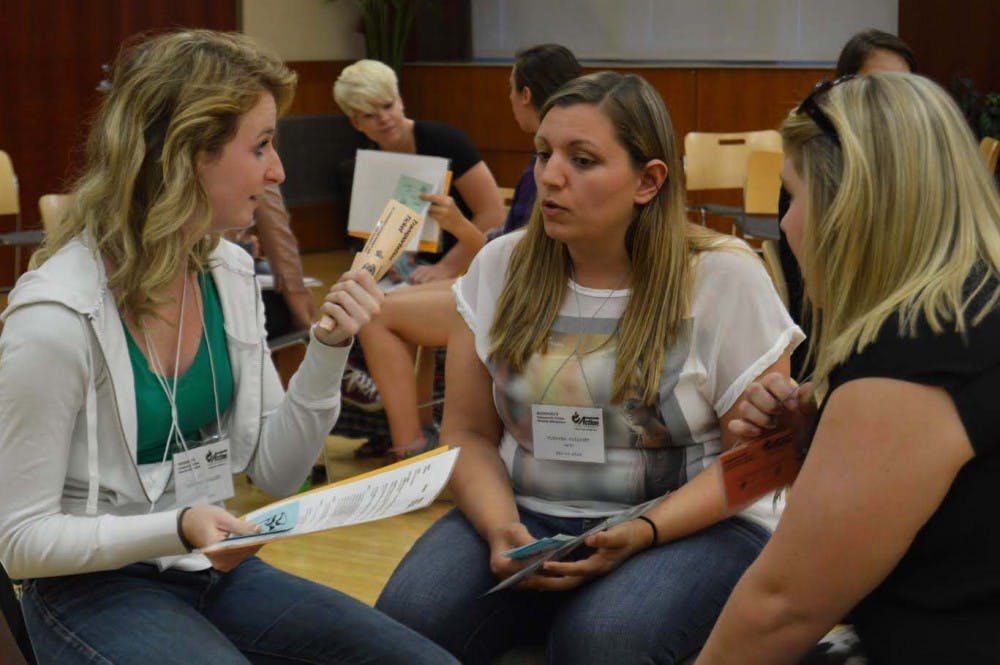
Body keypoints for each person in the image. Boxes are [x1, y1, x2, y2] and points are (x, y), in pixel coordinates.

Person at [0, 30, 456, 665]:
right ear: (188, 154)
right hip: (91, 590)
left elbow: (276, 472)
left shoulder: (227, 272)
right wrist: (177, 525)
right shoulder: (53, 318)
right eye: (262, 146)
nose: (279, 171)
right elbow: (20, 541)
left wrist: (327, 349)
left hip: (208, 570)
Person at [375, 71, 803, 664]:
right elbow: (468, 434)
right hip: (527, 510)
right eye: (543, 154)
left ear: (648, 181)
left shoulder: (722, 276)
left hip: (686, 523)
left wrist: (645, 532)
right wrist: (502, 530)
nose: (549, 176)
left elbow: (753, 467)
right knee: (406, 619)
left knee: (604, 639)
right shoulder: (501, 264)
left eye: (582, 159)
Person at [697, 73, 1000, 663]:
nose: (785, 224)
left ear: (849, 207)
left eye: (795, 195)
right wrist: (820, 437)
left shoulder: (918, 347)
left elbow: (780, 606)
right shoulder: (974, 302)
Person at [357, 44, 583, 462]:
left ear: (527, 95)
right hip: (519, 280)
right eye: (368, 114)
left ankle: (411, 454)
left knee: (376, 313)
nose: (510, 98)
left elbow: (520, 257)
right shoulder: (568, 157)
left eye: (510, 89)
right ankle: (417, 434)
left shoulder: (545, 164)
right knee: (392, 300)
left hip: (524, 293)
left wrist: (456, 227)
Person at [780, 28, 916, 377]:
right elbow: (806, 301)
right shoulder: (816, 171)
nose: (887, 108)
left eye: (903, 92)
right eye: (874, 90)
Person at [333, 58, 506, 285]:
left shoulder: (446, 141)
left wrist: (447, 267)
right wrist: (388, 260)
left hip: (470, 265)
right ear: (356, 123)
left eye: (387, 106)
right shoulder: (368, 163)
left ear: (401, 102)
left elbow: (493, 214)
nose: (384, 119)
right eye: (369, 115)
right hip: (415, 270)